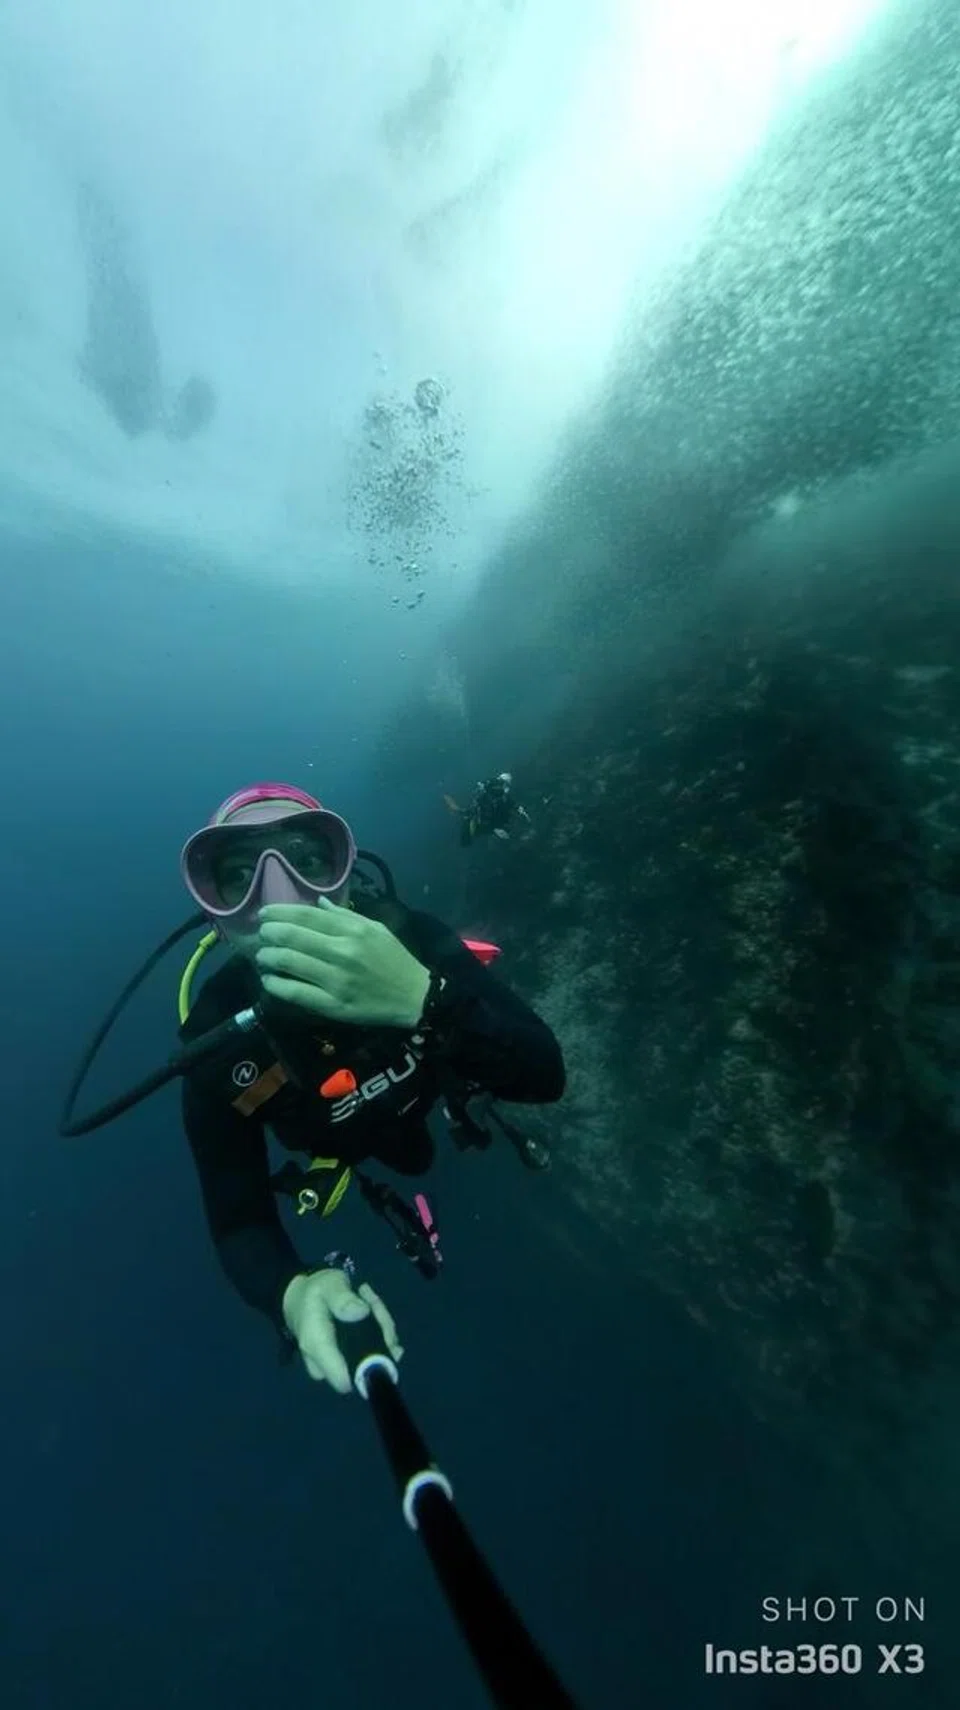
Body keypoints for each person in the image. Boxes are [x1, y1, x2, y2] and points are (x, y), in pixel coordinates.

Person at [179, 782, 565, 1397]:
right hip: (344, 1143)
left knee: (423, 1153)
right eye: (239, 876)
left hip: (427, 1092)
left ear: (344, 877)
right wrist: (291, 1292)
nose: (279, 897)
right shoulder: (216, 1043)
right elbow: (237, 1222)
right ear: (216, 915)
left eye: (308, 860)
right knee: (408, 1157)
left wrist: (424, 1000)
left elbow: (544, 1074)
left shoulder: (410, 939)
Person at [457, 772, 530, 847]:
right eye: (504, 784)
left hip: (482, 821)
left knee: (470, 835)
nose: (505, 788)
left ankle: (467, 823)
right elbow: (486, 814)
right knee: (469, 836)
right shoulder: (492, 795)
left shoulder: (497, 795)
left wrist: (519, 809)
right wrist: (495, 830)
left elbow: (509, 802)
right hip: (482, 821)